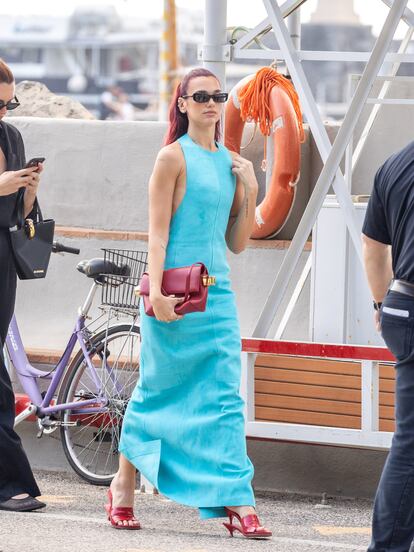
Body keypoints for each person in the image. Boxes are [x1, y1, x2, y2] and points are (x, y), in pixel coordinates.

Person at [106, 67, 272, 538]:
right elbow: (157, 235)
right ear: (182, 104)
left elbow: (237, 244)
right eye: (200, 96)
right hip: (173, 296)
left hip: (217, 299)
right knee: (157, 393)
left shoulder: (231, 163)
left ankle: (238, 499)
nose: (211, 103)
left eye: (218, 96)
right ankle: (122, 486)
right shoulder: (171, 158)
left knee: (224, 398)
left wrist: (252, 191)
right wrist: (155, 293)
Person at [362, 140, 414, 551]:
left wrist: (381, 304)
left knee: (409, 442)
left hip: (400, 304)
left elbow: (373, 248)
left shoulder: (393, 164)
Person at [0, 58, 45, 512]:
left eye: (9, 103)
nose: (4, 113)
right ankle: (10, 482)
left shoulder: (11, 137)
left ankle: (11, 482)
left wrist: (27, 190)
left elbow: (21, 215)